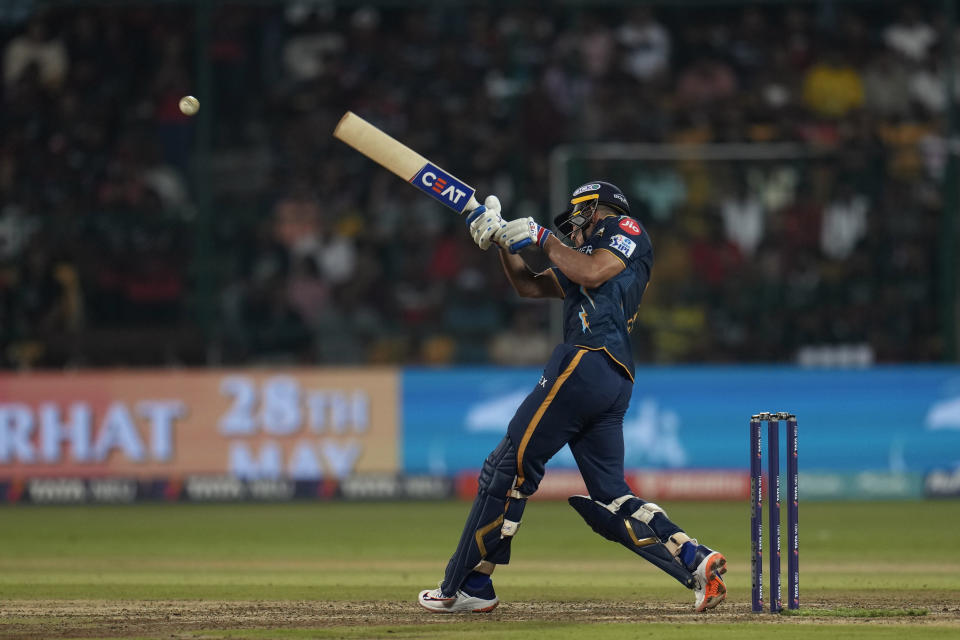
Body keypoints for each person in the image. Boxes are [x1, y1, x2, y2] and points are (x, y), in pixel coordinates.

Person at [416, 181, 727, 614]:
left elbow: (594, 270)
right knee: (611, 498)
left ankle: (461, 587)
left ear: (598, 209)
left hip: (587, 361)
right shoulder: (582, 257)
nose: (573, 231)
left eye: (579, 220)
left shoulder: (625, 228)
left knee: (507, 466)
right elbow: (529, 285)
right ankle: (694, 560)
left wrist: (542, 237)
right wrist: (499, 238)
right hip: (610, 380)